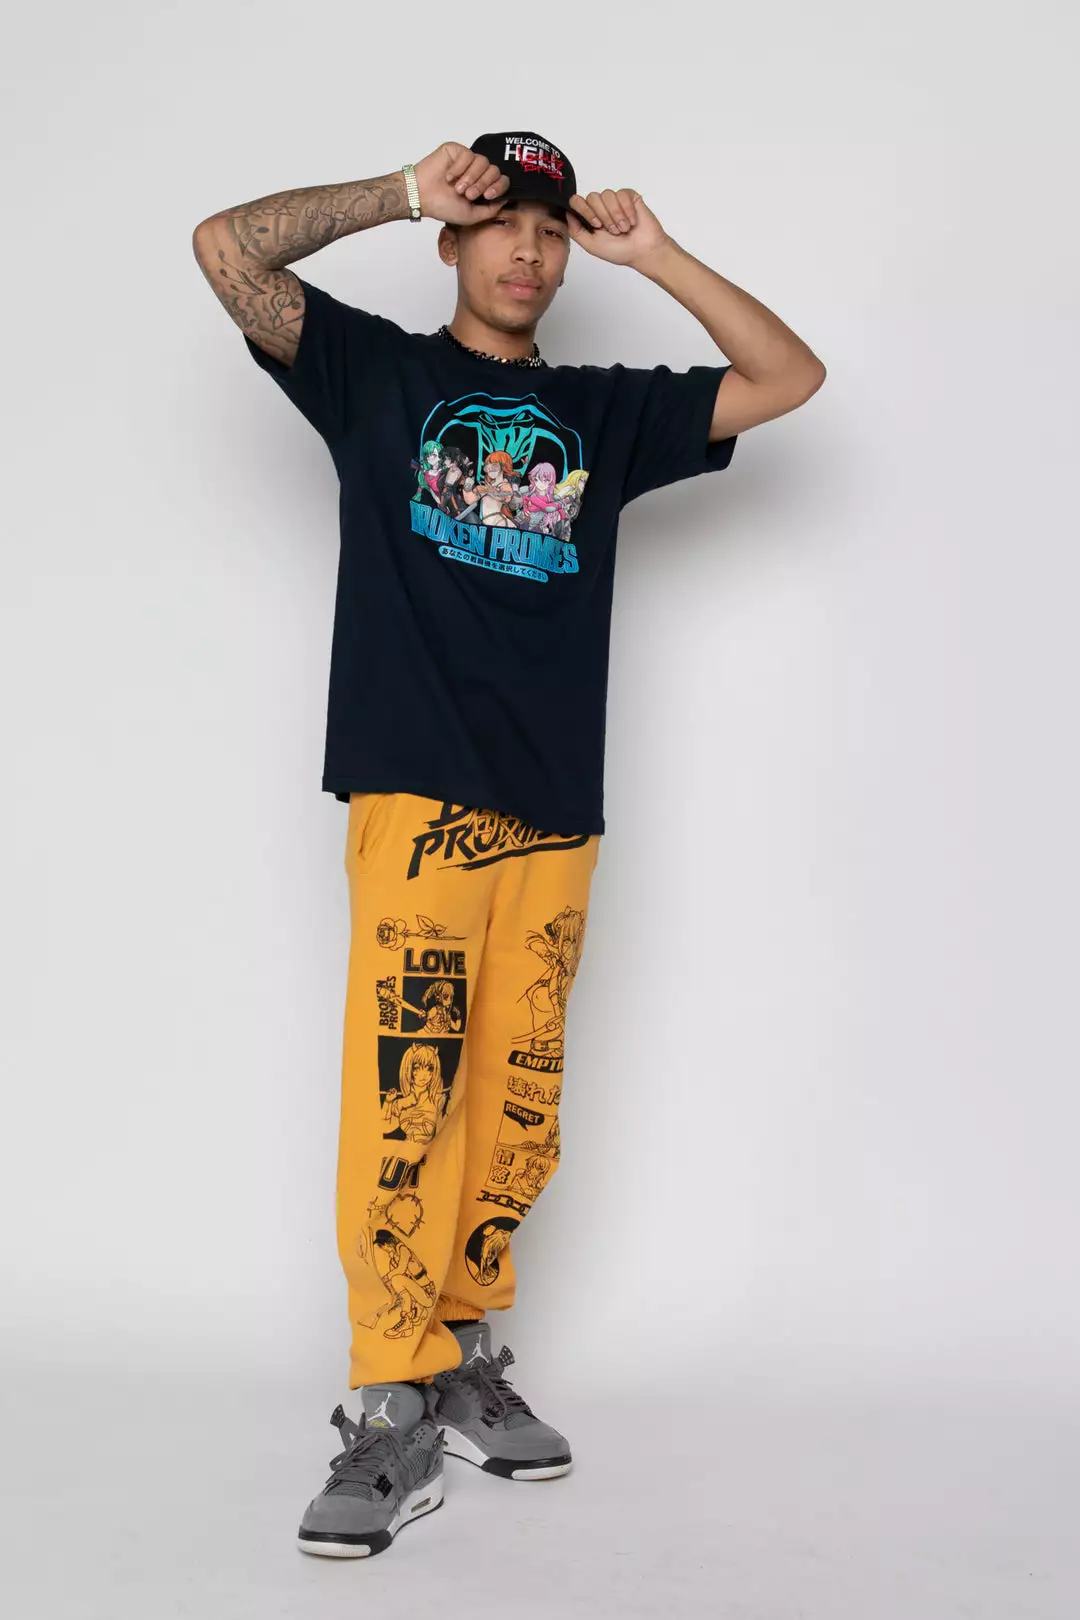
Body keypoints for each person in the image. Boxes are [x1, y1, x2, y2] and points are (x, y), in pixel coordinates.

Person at [191, 130, 825, 1558]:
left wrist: (654, 254)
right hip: (418, 801)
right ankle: (385, 1398)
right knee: (406, 1093)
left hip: (554, 808)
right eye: (499, 222)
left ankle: (463, 1351)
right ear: (455, 243)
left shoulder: (602, 415)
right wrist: (397, 191)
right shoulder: (374, 377)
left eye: (549, 228)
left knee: (518, 1099)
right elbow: (224, 248)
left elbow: (789, 378)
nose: (528, 250)